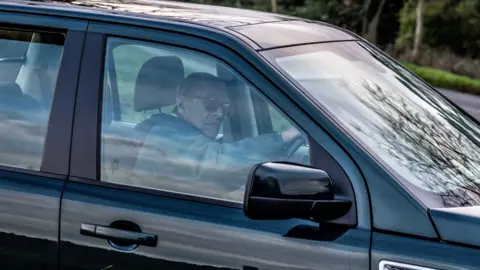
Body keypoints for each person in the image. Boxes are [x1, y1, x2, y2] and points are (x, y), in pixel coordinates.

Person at [131, 72, 304, 199]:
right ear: (181, 101)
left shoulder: (187, 135)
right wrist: (284, 137)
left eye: (225, 107)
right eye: (211, 103)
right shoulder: (165, 133)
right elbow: (215, 163)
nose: (220, 113)